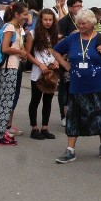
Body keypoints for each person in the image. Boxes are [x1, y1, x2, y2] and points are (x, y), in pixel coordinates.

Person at [50, 9, 101, 161]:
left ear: (92, 23)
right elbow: (55, 50)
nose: (81, 26)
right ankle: (70, 150)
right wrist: (66, 65)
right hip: (77, 85)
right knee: (74, 116)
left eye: (84, 23)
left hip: (99, 84)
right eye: (79, 23)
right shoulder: (72, 39)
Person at [0, 1, 29, 146]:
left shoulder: (16, 27)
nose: (27, 17)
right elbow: (5, 48)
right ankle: (0, 134)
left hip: (11, 67)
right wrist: (20, 52)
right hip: (8, 68)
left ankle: (2, 131)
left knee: (7, 100)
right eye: (25, 14)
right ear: (16, 14)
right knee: (5, 101)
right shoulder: (9, 27)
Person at [27, 8, 60, 140]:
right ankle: (34, 128)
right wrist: (39, 64)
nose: (47, 22)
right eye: (45, 19)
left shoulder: (54, 34)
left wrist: (57, 61)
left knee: (48, 100)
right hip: (38, 71)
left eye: (50, 20)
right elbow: (27, 53)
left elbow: (57, 51)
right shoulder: (32, 33)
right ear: (40, 20)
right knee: (35, 100)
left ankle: (45, 127)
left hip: (51, 71)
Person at [57, 0, 83, 126]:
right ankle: (64, 114)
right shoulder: (64, 22)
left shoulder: (83, 20)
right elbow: (57, 40)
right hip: (66, 60)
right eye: (76, 6)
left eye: (80, 6)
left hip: (79, 59)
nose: (79, 8)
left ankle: (76, 113)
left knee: (77, 87)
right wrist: (70, 36)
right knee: (65, 89)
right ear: (70, 8)